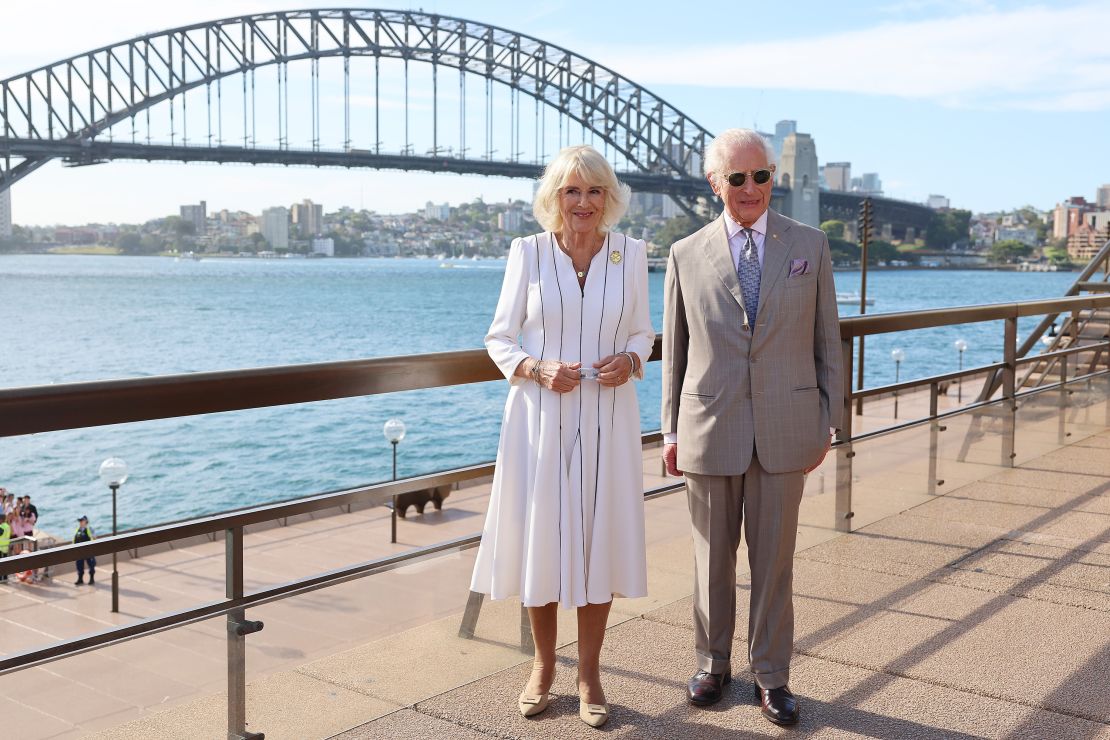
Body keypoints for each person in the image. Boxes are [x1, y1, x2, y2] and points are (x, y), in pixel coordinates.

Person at [661, 128, 843, 726]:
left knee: (775, 561)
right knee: (710, 558)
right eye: (736, 178)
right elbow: (677, 353)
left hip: (788, 427)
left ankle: (772, 676)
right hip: (709, 426)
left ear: (773, 177)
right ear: (715, 183)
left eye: (760, 176)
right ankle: (713, 665)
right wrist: (670, 431)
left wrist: (827, 421)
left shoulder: (809, 245)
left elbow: (827, 342)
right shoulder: (686, 253)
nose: (750, 188)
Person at [470, 144, 654, 729]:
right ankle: (543, 667)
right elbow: (499, 339)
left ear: (609, 198)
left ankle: (590, 673)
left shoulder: (632, 254)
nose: (583, 202)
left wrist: (631, 357)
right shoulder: (526, 253)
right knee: (541, 541)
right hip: (539, 418)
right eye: (572, 191)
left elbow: (646, 332)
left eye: (594, 191)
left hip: (608, 414)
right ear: (555, 197)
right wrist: (537, 368)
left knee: (599, 539)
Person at [73, 516, 96, 586]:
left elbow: (94, 537)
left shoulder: (89, 529)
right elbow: (74, 540)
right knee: (79, 566)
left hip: (88, 551)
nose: (80, 522)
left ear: (86, 521)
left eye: (81, 521)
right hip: (79, 552)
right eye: (79, 521)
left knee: (91, 565)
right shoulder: (78, 529)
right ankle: (80, 579)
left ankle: (92, 579)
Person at [0, 512, 10, 583]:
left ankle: (1, 578)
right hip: (6, 547)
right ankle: (6, 577)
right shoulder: (8, 526)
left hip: (0, 547)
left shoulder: (1, 527)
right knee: (6, 563)